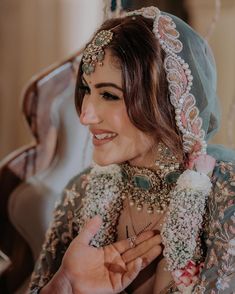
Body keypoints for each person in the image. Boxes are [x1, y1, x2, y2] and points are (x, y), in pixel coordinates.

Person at [29, 6, 235, 294]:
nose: (85, 115)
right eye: (86, 90)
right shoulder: (80, 194)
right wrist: (65, 286)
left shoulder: (225, 195)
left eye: (109, 95)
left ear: (163, 99)